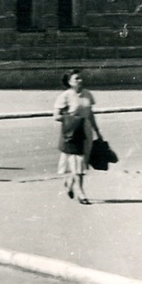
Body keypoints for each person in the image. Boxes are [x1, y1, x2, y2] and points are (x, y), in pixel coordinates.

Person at [54, 69, 101, 204]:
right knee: (77, 161)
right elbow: (56, 116)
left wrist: (97, 131)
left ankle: (70, 182)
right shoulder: (65, 96)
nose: (80, 80)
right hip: (73, 132)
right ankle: (81, 193)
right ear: (69, 82)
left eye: (80, 78)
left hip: (86, 131)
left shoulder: (87, 94)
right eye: (76, 79)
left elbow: (90, 114)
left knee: (81, 162)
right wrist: (71, 119)